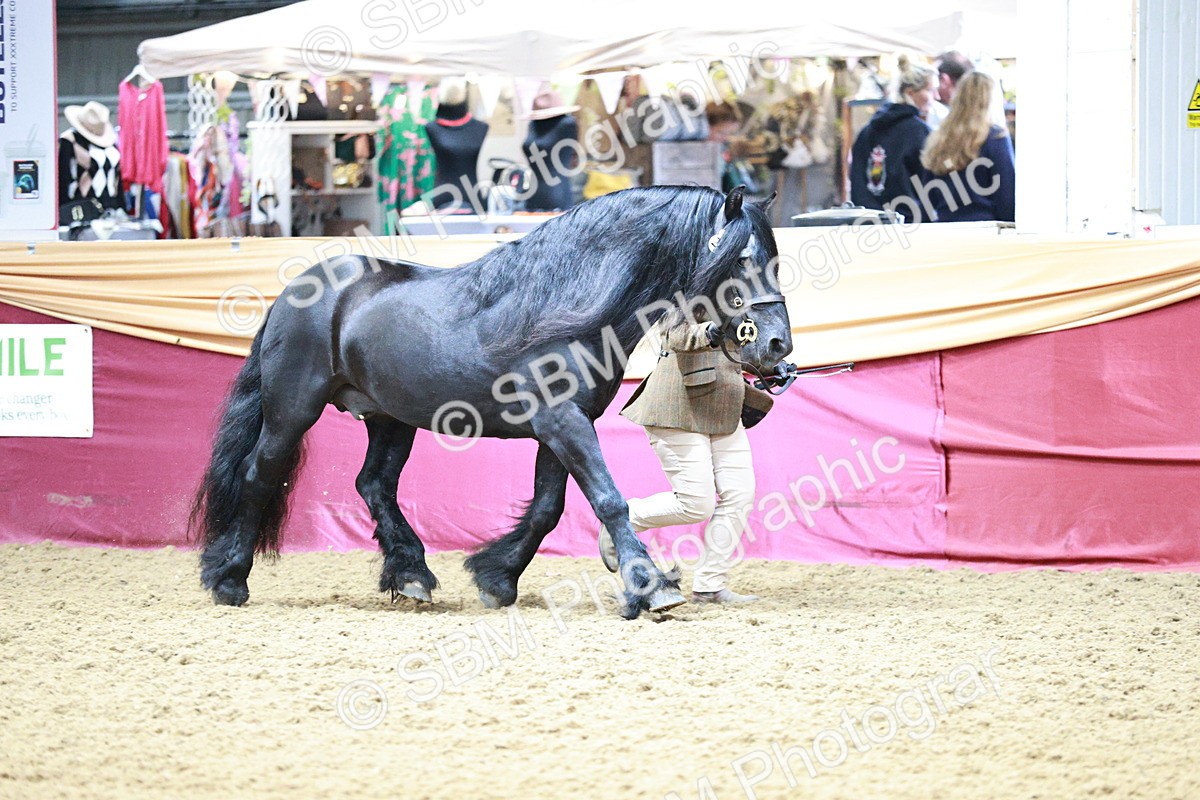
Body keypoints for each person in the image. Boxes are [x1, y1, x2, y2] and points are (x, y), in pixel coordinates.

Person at [598, 315, 766, 605]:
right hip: (677, 405)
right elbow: (675, 335)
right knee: (696, 505)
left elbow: (741, 343)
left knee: (740, 494)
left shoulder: (744, 292)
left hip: (723, 406)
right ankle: (621, 521)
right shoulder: (687, 283)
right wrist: (713, 330)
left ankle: (710, 586)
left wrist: (769, 365)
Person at [919, 72, 1015, 223]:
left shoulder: (939, 139)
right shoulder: (996, 138)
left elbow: (927, 198)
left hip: (945, 226)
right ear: (990, 101)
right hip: (986, 229)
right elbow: (1006, 195)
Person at [849, 58, 937, 222]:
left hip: (868, 229)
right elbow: (932, 188)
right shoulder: (920, 133)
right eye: (930, 91)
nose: (936, 97)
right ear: (910, 92)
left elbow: (857, 185)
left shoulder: (866, 132)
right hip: (911, 228)